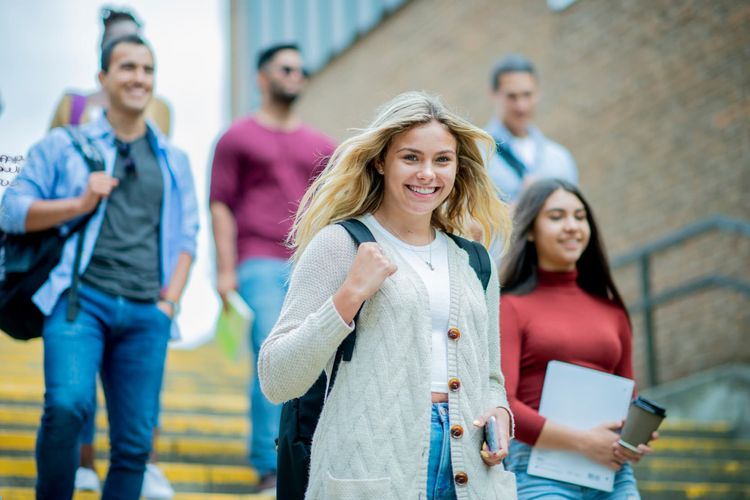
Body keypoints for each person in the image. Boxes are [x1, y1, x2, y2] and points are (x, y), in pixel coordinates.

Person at [258, 91, 518, 499]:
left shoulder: (475, 260)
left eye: (442, 160)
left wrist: (499, 411)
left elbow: (490, 376)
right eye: (411, 157)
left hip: (470, 470)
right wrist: (349, 296)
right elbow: (276, 378)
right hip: (369, 469)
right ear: (381, 161)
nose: (427, 174)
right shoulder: (340, 244)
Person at [0, 34, 198, 499]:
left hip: (147, 311)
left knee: (132, 445)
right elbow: (11, 209)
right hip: (78, 302)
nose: (139, 78)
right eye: (128, 67)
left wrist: (169, 302)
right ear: (102, 79)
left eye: (148, 70)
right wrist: (79, 202)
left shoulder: (174, 159)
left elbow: (187, 237)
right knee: (67, 406)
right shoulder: (63, 145)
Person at [209, 42, 335, 493]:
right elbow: (220, 206)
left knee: (316, 357)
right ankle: (268, 462)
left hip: (310, 261)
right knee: (273, 351)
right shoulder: (236, 137)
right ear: (262, 77)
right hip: (257, 260)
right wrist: (225, 272)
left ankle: (305, 453)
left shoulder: (322, 145)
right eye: (285, 68)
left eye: (301, 70)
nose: (295, 76)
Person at [500, 178, 657, 499]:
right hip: (537, 471)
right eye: (556, 217)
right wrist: (584, 442)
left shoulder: (612, 308)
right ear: (530, 230)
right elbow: (504, 403)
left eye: (580, 216)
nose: (572, 226)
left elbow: (628, 394)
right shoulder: (509, 306)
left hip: (611, 471)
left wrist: (633, 437)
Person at [49, 7, 171, 135]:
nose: (126, 47)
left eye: (133, 39)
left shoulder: (159, 108)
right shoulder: (72, 106)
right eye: (116, 41)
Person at [486, 54, 578, 203]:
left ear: (538, 94)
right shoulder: (476, 156)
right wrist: (524, 201)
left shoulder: (560, 158)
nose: (521, 106)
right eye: (512, 96)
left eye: (527, 95)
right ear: (493, 95)